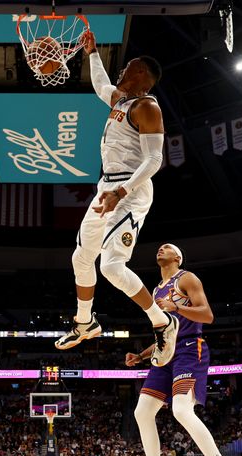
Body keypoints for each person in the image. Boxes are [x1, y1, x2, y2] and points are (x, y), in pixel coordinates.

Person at [55, 31, 178, 367]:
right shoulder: (121, 102)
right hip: (106, 189)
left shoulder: (146, 107)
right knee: (81, 259)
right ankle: (85, 323)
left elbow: (154, 160)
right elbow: (100, 85)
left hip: (131, 191)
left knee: (110, 266)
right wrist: (91, 53)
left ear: (140, 75)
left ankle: (162, 322)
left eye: (127, 68)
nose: (121, 71)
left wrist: (121, 192)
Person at [124, 244, 242, 456]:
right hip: (165, 351)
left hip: (190, 349)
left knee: (181, 410)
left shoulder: (187, 278)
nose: (161, 249)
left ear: (178, 257)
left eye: (167, 248)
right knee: (142, 412)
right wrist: (142, 356)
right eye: (159, 247)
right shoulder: (157, 289)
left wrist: (176, 307)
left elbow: (207, 314)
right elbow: (165, 332)